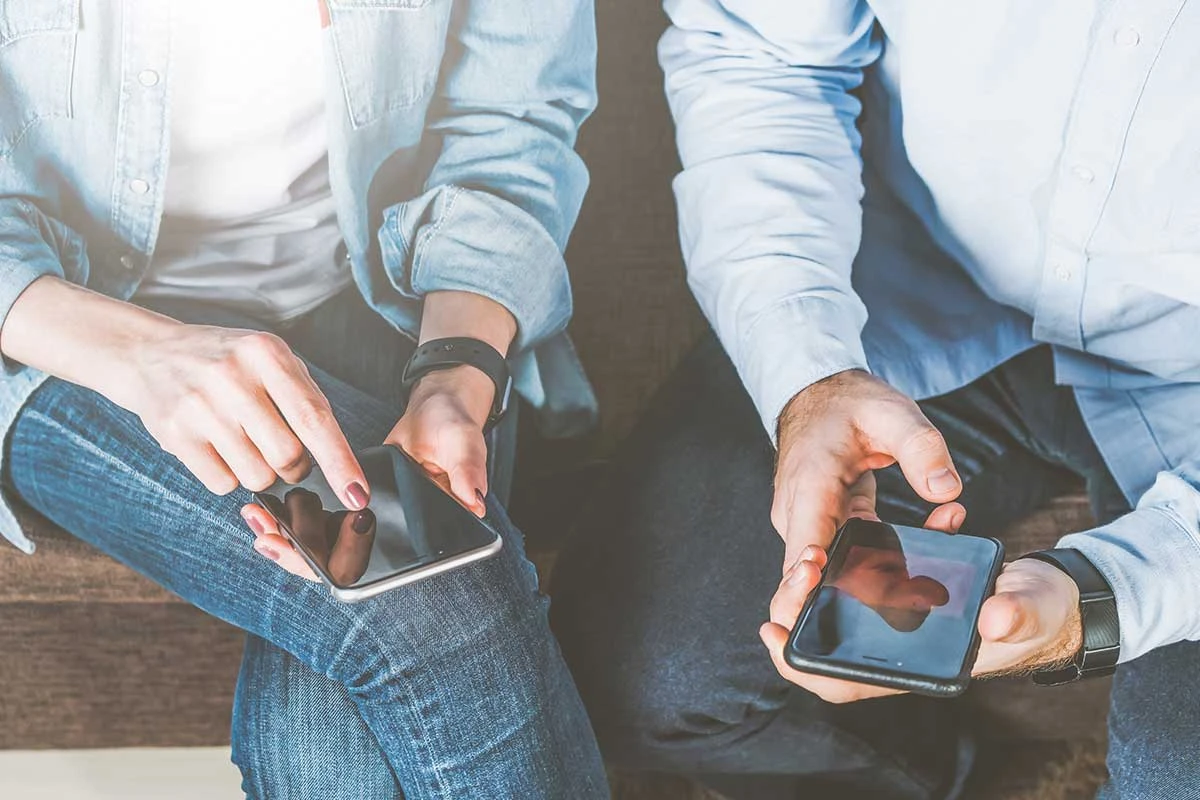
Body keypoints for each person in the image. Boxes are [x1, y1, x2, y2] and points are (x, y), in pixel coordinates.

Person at [551, 2, 1200, 798]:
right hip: (901, 295)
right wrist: (808, 376)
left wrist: (1101, 600)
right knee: (635, 676)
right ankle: (938, 773)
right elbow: (761, 53)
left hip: (1186, 378)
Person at [0, 0, 606, 797]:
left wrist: (454, 374)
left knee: (336, 769)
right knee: (440, 600)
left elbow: (513, 120)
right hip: (58, 325)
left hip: (382, 288)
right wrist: (141, 354)